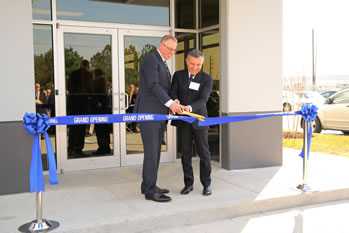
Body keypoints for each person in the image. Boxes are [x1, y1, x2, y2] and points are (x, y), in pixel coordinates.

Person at [133, 35, 182, 202]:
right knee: (152, 152)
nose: (171, 53)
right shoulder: (151, 60)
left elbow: (163, 87)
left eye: (174, 50)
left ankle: (148, 184)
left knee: (155, 152)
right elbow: (153, 85)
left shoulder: (162, 62)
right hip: (149, 114)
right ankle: (150, 190)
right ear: (160, 45)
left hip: (159, 115)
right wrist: (170, 103)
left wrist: (172, 102)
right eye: (169, 48)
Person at [170, 49, 213, 196]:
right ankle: (188, 184)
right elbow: (173, 91)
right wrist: (175, 101)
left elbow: (203, 99)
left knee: (204, 154)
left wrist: (189, 107)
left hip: (199, 120)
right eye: (192, 64)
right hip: (183, 122)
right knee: (186, 154)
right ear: (186, 61)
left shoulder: (206, 79)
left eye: (198, 65)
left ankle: (206, 184)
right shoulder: (178, 75)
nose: (195, 67)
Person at [67, 59, 93, 157]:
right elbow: (90, 89)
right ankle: (78, 149)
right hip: (82, 104)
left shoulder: (72, 74)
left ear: (80, 65)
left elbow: (69, 88)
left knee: (73, 127)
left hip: (73, 103)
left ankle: (71, 148)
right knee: (81, 127)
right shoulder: (88, 75)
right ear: (87, 66)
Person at [91, 68, 111, 155]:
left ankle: (102, 147)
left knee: (100, 129)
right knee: (105, 129)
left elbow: (94, 94)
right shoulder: (104, 81)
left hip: (99, 109)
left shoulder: (98, 82)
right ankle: (106, 146)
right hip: (104, 109)